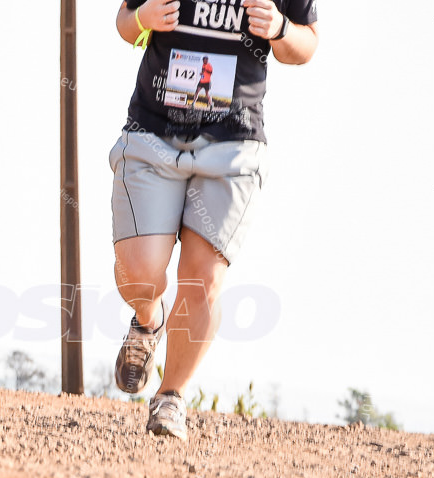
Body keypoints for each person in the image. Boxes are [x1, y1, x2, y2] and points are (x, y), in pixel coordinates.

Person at [111, 0, 318, 440]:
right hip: (153, 135)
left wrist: (280, 27)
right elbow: (125, 23)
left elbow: (306, 45)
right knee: (140, 276)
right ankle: (148, 320)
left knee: (202, 277)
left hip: (233, 144)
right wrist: (143, 20)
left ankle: (170, 398)